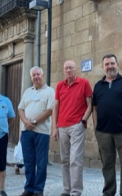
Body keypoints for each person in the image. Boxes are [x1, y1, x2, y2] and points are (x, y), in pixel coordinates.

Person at [92, 54, 122, 196]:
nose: (110, 66)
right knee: (107, 165)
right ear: (102, 67)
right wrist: (96, 127)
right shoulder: (98, 85)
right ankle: (108, 193)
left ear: (118, 64)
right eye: (107, 64)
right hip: (103, 133)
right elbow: (94, 107)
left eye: (112, 63)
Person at [52, 60, 92, 196]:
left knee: (75, 159)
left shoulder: (84, 83)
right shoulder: (59, 86)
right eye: (66, 68)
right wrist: (54, 128)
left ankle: (76, 191)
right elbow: (55, 107)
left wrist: (83, 121)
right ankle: (66, 189)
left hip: (77, 125)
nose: (68, 70)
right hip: (62, 126)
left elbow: (90, 104)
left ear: (76, 70)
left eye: (71, 68)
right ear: (64, 71)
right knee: (65, 159)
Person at [18, 66, 55, 196]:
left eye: (38, 74)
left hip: (42, 132)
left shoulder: (50, 91)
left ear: (43, 75)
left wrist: (33, 122)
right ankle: (29, 188)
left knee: (41, 162)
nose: (36, 77)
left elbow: (49, 110)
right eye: (34, 75)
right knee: (28, 162)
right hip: (26, 132)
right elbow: (20, 109)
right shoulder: (27, 91)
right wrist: (25, 122)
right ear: (31, 77)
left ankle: (38, 190)